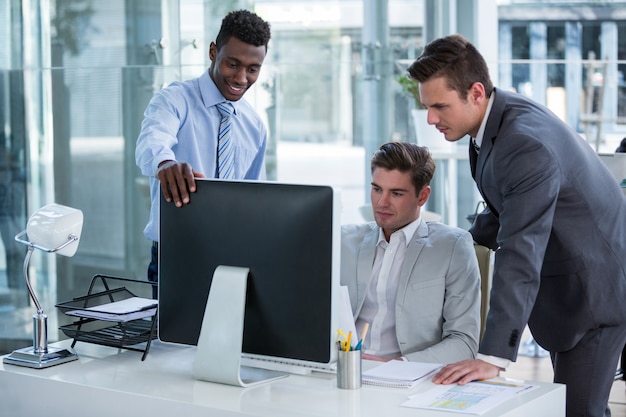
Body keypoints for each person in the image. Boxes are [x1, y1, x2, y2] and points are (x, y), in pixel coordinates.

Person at [407, 34, 626, 417]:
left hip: (596, 293)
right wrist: (452, 243)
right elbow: (504, 208)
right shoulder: (495, 121)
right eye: (427, 107)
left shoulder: (524, 143)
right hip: (572, 281)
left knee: (579, 412)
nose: (430, 119)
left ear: (476, 92)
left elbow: (520, 249)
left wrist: (493, 356)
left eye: (440, 106)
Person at [135, 10, 271, 288]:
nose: (241, 78)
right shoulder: (174, 100)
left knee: (232, 332)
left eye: (252, 69)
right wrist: (165, 164)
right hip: (177, 255)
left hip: (234, 256)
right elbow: (152, 141)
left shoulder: (254, 126)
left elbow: (255, 196)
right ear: (213, 52)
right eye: (232, 64)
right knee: (174, 333)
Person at [341, 141, 481, 364]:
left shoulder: (453, 247)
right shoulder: (343, 240)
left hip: (408, 377)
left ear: (423, 196)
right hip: (341, 371)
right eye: (377, 189)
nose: (381, 202)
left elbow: (463, 342)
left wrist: (399, 366)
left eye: (396, 193)